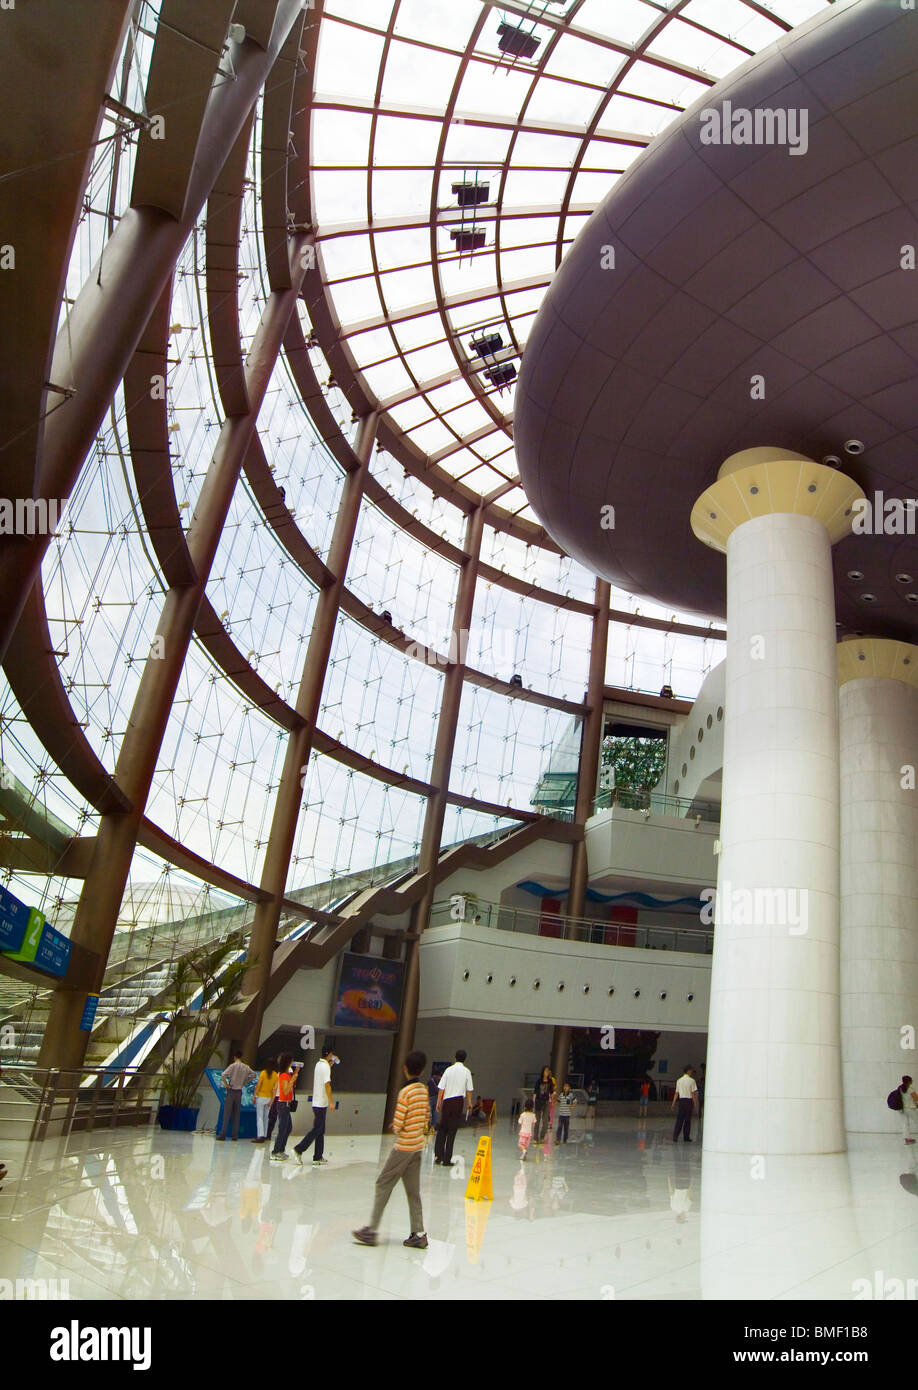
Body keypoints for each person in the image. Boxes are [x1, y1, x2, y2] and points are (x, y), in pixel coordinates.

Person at [352, 1050, 430, 1248]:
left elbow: (399, 1123)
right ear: (421, 1069)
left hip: (403, 1147)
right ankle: (418, 1234)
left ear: (405, 1069)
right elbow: (426, 1117)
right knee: (413, 1191)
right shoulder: (423, 1090)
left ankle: (371, 1230)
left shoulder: (405, 1092)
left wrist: (395, 1126)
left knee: (383, 1184)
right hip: (417, 1147)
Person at [294, 1044, 338, 1165]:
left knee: (320, 1130)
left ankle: (318, 1156)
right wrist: (331, 1102)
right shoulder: (325, 1067)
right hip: (321, 1103)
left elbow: (323, 1075)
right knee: (317, 1129)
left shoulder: (319, 1065)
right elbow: (327, 1085)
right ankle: (299, 1149)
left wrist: (330, 1065)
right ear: (329, 1054)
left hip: (317, 1102)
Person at [434, 1049, 473, 1166]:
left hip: (447, 1101)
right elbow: (469, 1089)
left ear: (455, 1058)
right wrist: (469, 1103)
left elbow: (441, 1087)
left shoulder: (448, 1070)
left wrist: (438, 1102)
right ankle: (447, 1159)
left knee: (442, 1128)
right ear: (465, 1059)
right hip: (458, 1102)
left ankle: (438, 1156)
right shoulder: (467, 1071)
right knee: (452, 1130)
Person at [217, 1050, 257, 1141]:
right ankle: (235, 1136)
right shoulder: (246, 1067)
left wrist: (226, 1084)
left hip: (231, 1090)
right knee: (236, 1114)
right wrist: (245, 1082)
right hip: (239, 1092)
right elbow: (254, 1075)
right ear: (241, 1057)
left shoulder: (232, 1066)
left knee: (227, 1114)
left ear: (235, 1057)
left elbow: (223, 1075)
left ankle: (222, 1134)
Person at [270, 1053, 301, 1160]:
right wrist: (292, 1079)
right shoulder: (283, 1075)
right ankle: (275, 1151)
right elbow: (285, 1090)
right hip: (283, 1104)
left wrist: (295, 1073)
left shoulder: (287, 1075)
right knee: (282, 1128)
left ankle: (281, 1149)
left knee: (288, 1128)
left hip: (286, 1104)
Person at [252, 1058, 278, 1143]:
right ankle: (266, 1135)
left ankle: (260, 1136)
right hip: (269, 1098)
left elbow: (258, 1085)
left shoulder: (263, 1073)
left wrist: (254, 1096)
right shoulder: (275, 1075)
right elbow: (275, 1089)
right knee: (266, 1117)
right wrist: (272, 1100)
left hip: (261, 1097)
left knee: (259, 1117)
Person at [671, 1064, 698, 1142]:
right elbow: (693, 1093)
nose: (692, 1071)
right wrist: (695, 1103)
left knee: (679, 1119)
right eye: (691, 1070)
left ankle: (675, 1136)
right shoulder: (692, 1081)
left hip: (681, 1101)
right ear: (689, 1071)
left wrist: (673, 1103)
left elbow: (676, 1092)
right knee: (687, 1120)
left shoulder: (679, 1080)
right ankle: (686, 1137)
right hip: (689, 1101)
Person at [533, 1065, 555, 1144]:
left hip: (546, 1102)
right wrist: (534, 1102)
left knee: (545, 1121)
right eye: (546, 1070)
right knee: (537, 1121)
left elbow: (552, 1092)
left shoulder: (550, 1081)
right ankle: (535, 1137)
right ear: (543, 1072)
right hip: (538, 1101)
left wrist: (552, 1101)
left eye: (548, 1071)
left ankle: (542, 1136)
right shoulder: (539, 1081)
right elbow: (535, 1092)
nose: (547, 1072)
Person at [900, 1075, 918, 1144]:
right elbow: (916, 1098)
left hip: (902, 1109)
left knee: (905, 1124)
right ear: (909, 1082)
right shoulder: (910, 1089)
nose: (912, 1081)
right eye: (911, 1080)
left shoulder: (899, 1088)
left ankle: (907, 1139)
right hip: (910, 1109)